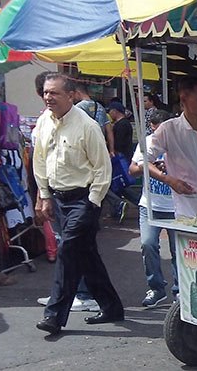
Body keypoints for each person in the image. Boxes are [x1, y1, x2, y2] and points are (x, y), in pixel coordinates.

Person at [32, 73, 124, 335]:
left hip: (84, 199)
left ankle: (54, 315)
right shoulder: (43, 122)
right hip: (59, 199)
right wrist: (45, 196)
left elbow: (102, 169)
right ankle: (112, 307)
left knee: (68, 251)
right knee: (86, 256)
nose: (48, 97)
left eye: (54, 93)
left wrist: (93, 203)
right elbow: (40, 162)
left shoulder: (87, 126)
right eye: (46, 93)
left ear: (70, 95)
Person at [144, 76, 197, 219]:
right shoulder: (168, 129)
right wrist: (169, 180)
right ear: (184, 99)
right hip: (186, 212)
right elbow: (142, 161)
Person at [129, 109, 177, 307]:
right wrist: (147, 166)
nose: (159, 135)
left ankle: (180, 290)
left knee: (179, 251)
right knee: (148, 245)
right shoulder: (146, 143)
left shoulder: (178, 143)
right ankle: (157, 288)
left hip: (176, 207)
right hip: (149, 205)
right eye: (155, 130)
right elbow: (132, 170)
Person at [74, 82, 115, 156]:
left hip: (86, 147)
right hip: (101, 145)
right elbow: (109, 130)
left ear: (78, 93)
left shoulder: (78, 107)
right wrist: (111, 150)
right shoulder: (100, 107)